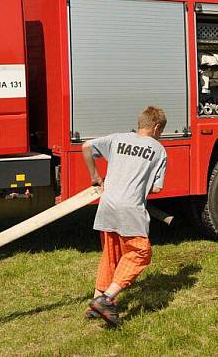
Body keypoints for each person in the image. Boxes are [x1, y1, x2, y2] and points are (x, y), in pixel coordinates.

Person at [81, 106, 168, 326]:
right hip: (130, 208)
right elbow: (156, 189)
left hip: (107, 204)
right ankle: (106, 300)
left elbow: (86, 146)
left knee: (112, 254)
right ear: (157, 127)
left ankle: (95, 302)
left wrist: (95, 176)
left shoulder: (117, 139)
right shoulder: (158, 150)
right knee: (140, 253)